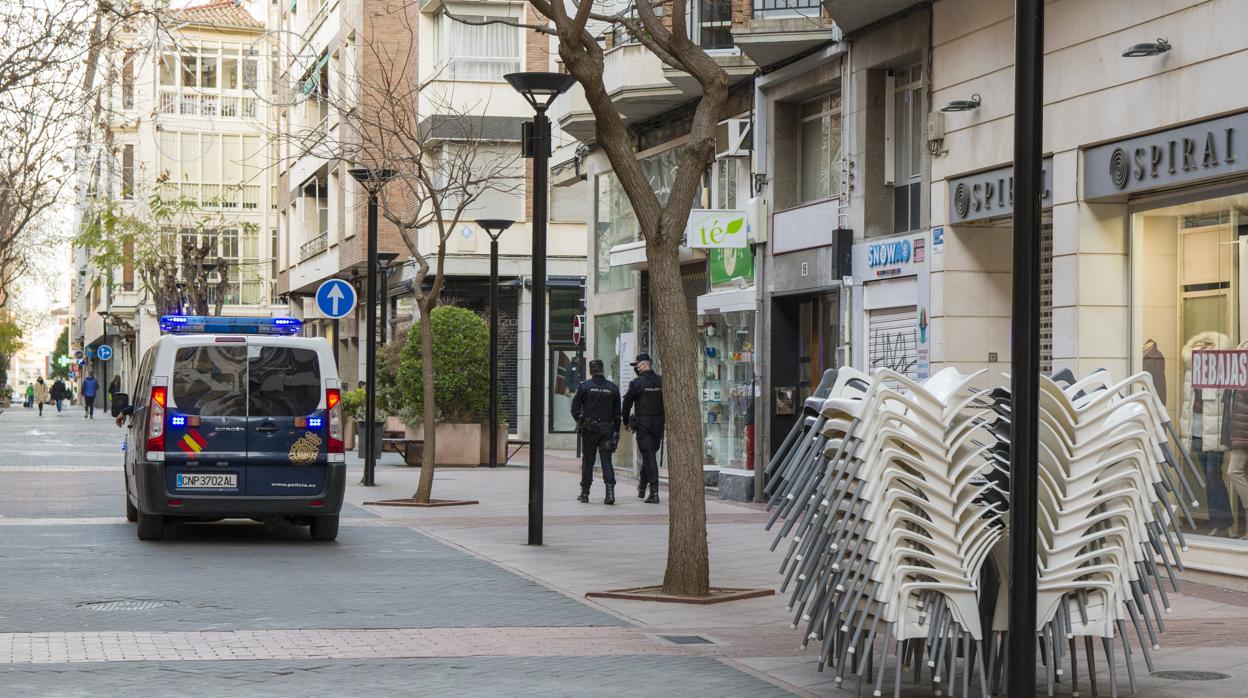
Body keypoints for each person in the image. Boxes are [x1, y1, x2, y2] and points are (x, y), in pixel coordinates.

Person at [570, 359, 621, 505]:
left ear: (591, 370)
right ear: (602, 369)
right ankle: (610, 494)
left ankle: (585, 493)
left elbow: (575, 408)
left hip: (589, 429)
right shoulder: (612, 388)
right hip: (607, 429)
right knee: (606, 460)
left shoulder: (585, 386)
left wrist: (580, 422)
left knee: (588, 461)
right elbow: (618, 413)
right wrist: (616, 431)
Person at [622, 353, 664, 504]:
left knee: (649, 456)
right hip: (659, 423)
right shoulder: (661, 381)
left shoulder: (636, 383)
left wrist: (626, 421)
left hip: (644, 424)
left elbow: (626, 403)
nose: (636, 369)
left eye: (637, 366)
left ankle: (654, 492)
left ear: (644, 365)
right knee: (650, 454)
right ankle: (642, 487)